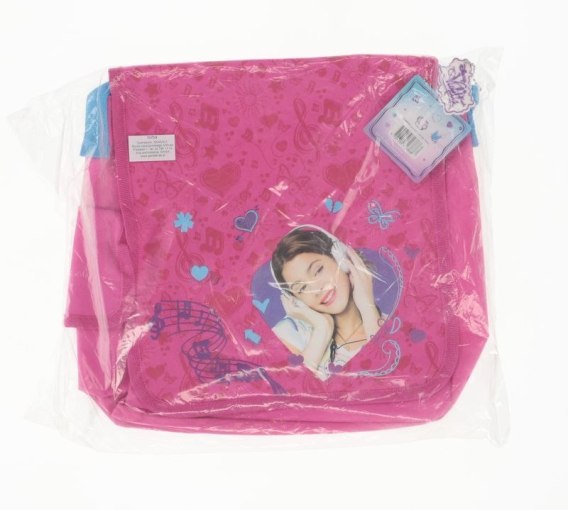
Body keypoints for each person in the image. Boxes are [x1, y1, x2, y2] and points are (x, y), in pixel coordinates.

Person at [270, 227, 387, 380]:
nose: (317, 289)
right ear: (297, 300)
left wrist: (367, 307)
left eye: (318, 270)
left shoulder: (393, 325)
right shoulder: (290, 333)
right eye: (302, 288)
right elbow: (292, 386)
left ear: (339, 258)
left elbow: (392, 370)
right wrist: (321, 329)